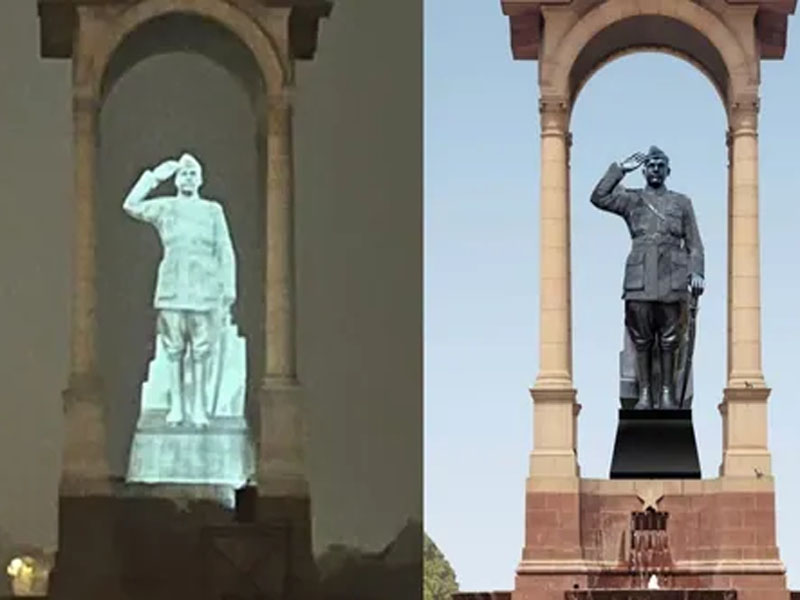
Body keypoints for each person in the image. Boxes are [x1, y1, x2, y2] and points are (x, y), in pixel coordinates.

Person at [123, 152, 236, 427]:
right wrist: (155, 176)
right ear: (176, 180)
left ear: (200, 179)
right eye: (183, 173)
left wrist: (228, 286)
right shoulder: (166, 207)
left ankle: (198, 407)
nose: (188, 177)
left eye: (192, 173)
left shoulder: (212, 210)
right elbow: (131, 205)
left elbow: (225, 249)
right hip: (173, 284)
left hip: (205, 286)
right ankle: (177, 406)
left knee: (201, 350)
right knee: (173, 350)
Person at [590, 146, 704, 410]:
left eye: (660, 165)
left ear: (667, 171)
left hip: (672, 275)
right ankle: (643, 395)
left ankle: (666, 393)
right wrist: (619, 170)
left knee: (670, 339)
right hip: (640, 275)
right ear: (643, 170)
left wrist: (696, 271)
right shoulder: (632, 199)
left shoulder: (681, 202)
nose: (655, 169)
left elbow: (694, 243)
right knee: (641, 338)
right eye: (650, 165)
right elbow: (598, 197)